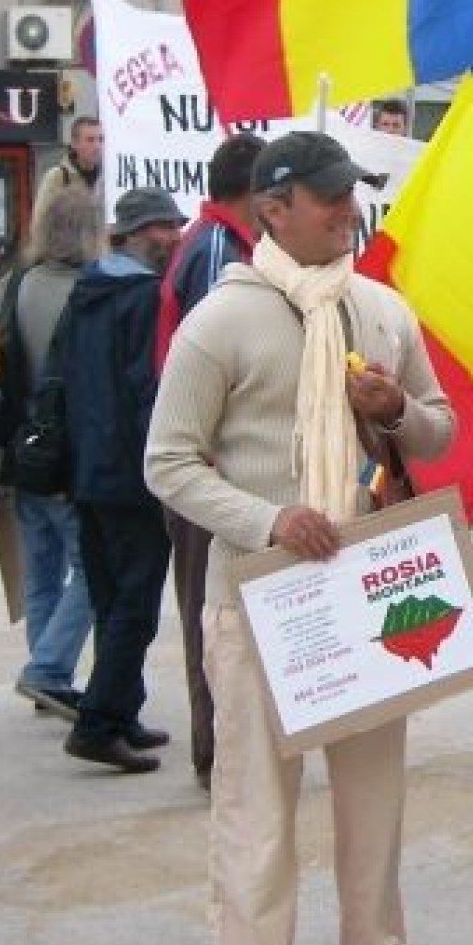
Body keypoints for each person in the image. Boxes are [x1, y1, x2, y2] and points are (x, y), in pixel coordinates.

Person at [147, 130, 461, 945]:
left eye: (351, 194)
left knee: (376, 795)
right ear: (270, 208)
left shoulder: (381, 312)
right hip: (263, 594)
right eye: (327, 197)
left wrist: (394, 412)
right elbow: (166, 463)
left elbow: (441, 433)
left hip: (368, 586)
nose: (346, 210)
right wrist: (267, 520)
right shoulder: (221, 321)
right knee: (256, 805)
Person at [52, 186, 184, 773]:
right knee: (135, 603)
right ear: (128, 235)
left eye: (172, 225)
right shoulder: (144, 297)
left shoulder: (86, 291)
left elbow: (57, 382)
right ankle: (99, 723)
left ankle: (122, 710)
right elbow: (147, 394)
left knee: (111, 599)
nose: (170, 236)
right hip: (130, 476)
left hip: (87, 471)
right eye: (157, 227)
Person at [156, 129, 266, 789]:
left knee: (217, 609)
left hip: (212, 464)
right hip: (212, 468)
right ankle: (219, 751)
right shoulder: (222, 251)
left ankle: (225, 744)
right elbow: (211, 366)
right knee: (212, 610)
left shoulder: (213, 240)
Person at [0, 186, 101, 723]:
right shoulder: (90, 292)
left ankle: (47, 671)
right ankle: (48, 669)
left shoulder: (11, 286)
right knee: (90, 568)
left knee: (40, 567)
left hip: (22, 447)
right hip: (69, 451)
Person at [40, 116, 104, 200]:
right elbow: (41, 213)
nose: (97, 146)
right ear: (74, 143)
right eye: (90, 140)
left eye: (101, 139)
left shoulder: (105, 178)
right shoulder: (57, 177)